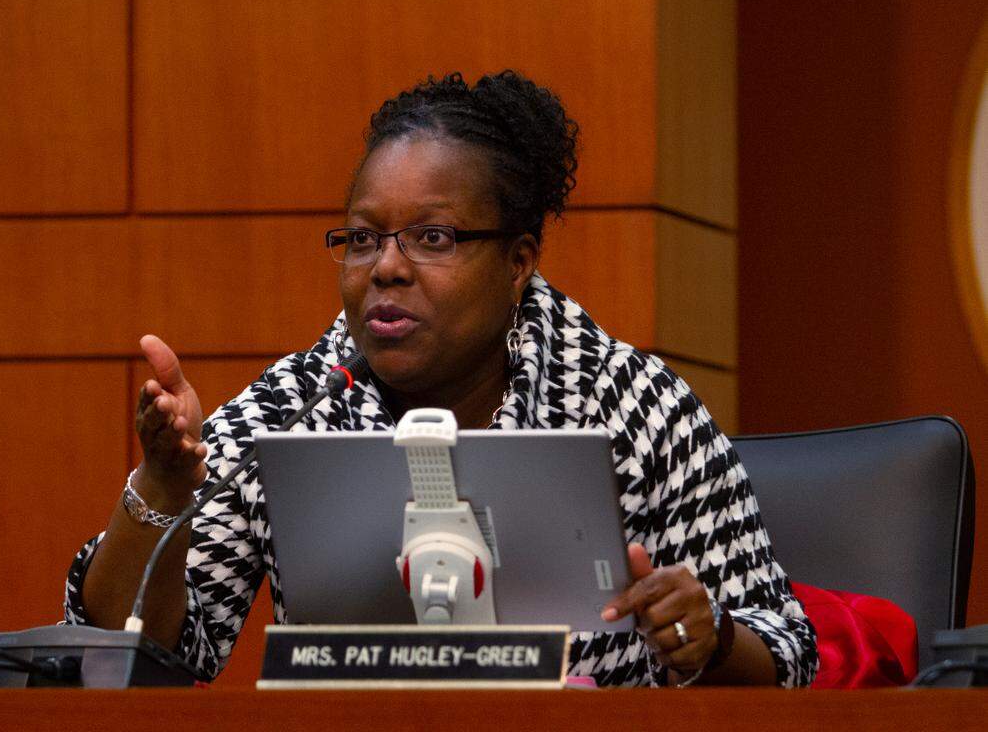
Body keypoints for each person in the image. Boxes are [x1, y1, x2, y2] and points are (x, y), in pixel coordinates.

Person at [65, 71, 817, 687]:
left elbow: (788, 654)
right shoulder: (293, 407)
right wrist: (163, 486)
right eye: (362, 239)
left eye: (433, 237)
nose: (386, 266)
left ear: (518, 261)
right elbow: (133, 661)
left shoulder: (635, 405)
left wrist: (708, 641)